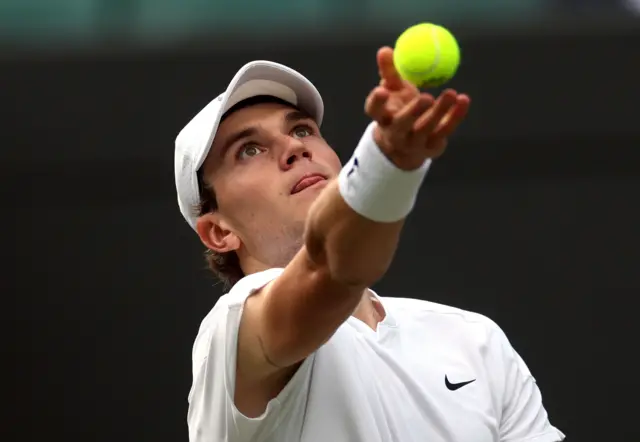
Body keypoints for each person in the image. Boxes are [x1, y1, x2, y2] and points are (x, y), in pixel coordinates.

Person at [174, 47, 566, 442]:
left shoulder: (474, 341)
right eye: (249, 150)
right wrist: (386, 160)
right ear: (219, 232)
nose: (294, 147)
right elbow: (330, 269)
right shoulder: (231, 336)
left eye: (302, 129)